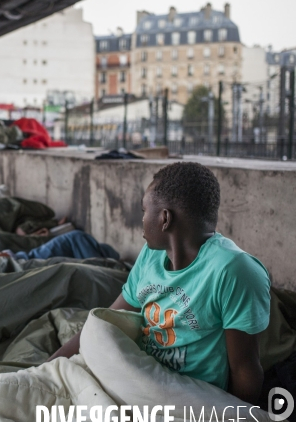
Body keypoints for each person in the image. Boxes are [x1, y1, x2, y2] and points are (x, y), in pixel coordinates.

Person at [49, 162, 270, 405]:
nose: (141, 219)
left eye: (144, 210)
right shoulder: (151, 255)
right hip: (137, 377)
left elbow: (244, 369)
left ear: (165, 218)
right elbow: (107, 319)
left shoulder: (234, 271)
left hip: (186, 399)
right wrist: (52, 365)